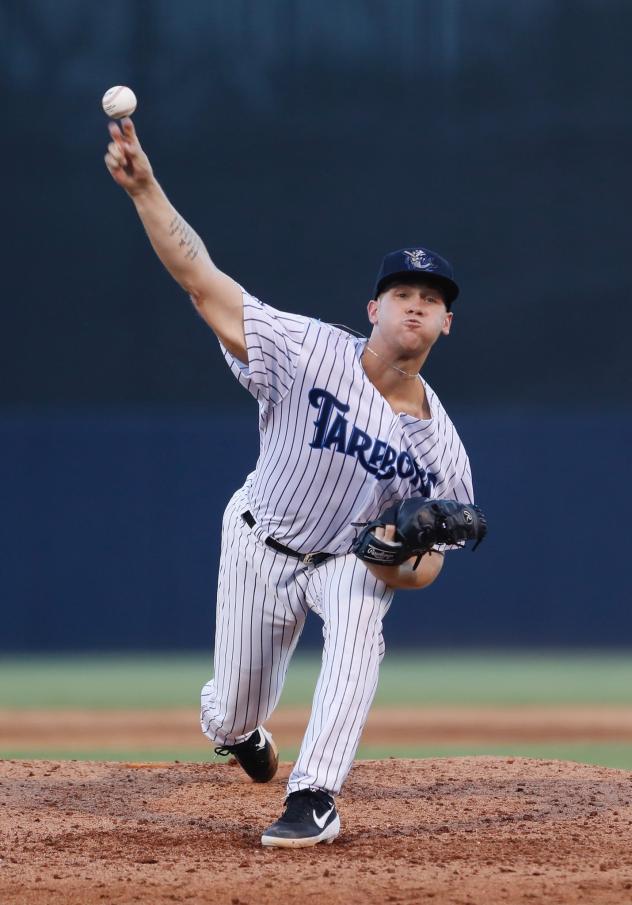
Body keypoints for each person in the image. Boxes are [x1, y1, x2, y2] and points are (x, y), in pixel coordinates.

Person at [104, 118, 474, 849]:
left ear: (447, 323)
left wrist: (400, 550)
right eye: (401, 290)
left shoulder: (443, 451)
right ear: (374, 309)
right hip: (260, 540)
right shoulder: (305, 350)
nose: (415, 303)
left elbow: (425, 568)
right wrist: (145, 188)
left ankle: (314, 794)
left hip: (344, 560)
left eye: (430, 297)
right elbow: (199, 279)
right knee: (232, 707)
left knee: (362, 623)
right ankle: (241, 734)